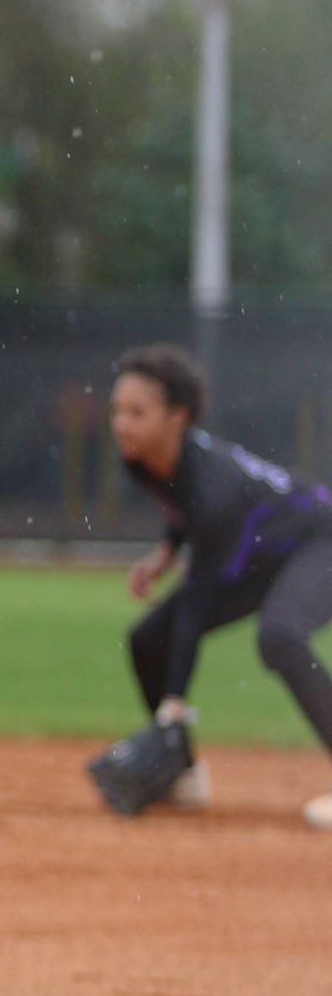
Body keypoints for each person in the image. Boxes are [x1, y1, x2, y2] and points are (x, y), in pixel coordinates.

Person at [111, 343, 332, 828]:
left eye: (137, 412)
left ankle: (173, 732)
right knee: (146, 638)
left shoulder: (213, 487)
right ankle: (180, 773)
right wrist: (165, 552)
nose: (121, 424)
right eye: (118, 410)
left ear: (178, 416)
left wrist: (174, 701)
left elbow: (197, 596)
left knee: (279, 636)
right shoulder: (142, 459)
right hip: (264, 556)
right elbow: (183, 512)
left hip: (321, 541)